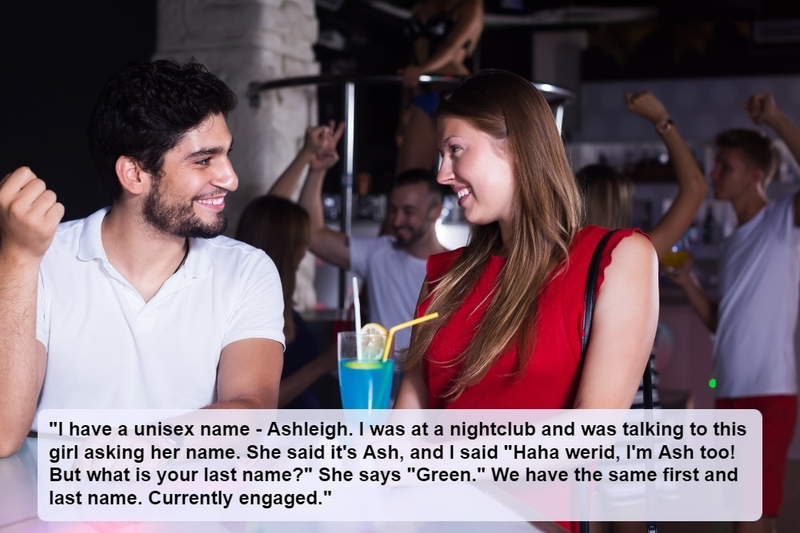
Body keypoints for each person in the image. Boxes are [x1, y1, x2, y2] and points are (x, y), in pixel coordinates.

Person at [394, 70, 659, 533]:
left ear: (516, 145)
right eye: (441, 154)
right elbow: (407, 429)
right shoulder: (444, 277)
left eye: (455, 150)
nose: (441, 173)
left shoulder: (617, 259)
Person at [0, 59, 285, 458]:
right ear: (134, 174)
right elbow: (3, 435)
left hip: (187, 507)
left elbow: (251, 414)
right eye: (204, 160)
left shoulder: (248, 270)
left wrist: (116, 457)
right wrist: (16, 256)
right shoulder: (41, 260)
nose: (230, 178)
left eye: (226, 155)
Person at [578, 91, 709, 533]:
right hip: (633, 424)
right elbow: (695, 189)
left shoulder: (557, 263)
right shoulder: (637, 255)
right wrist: (662, 120)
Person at [668, 93, 799, 533]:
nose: (714, 174)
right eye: (717, 164)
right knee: (754, 515)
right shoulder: (733, 239)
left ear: (756, 176)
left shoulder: (782, 221)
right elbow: (720, 323)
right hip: (732, 391)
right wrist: (689, 284)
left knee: (749, 516)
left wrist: (774, 119)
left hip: (767, 391)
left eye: (727, 166)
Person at [269, 124, 448, 352]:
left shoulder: (458, 266)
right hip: (381, 374)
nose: (396, 219)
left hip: (429, 381)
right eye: (393, 209)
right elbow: (313, 235)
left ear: (435, 211)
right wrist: (317, 170)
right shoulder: (379, 252)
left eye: (409, 211)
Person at [236, 195, 338, 409]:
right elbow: (253, 405)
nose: (306, 250)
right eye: (303, 243)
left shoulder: (283, 306)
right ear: (289, 249)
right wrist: (321, 365)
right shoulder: (248, 312)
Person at [395, 0, 483, 175]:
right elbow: (412, 61)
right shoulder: (422, 5)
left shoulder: (470, 4)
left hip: (454, 91)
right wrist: (405, 107)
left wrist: (422, 69)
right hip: (422, 91)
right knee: (407, 176)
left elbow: (452, 47)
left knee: (463, 172)